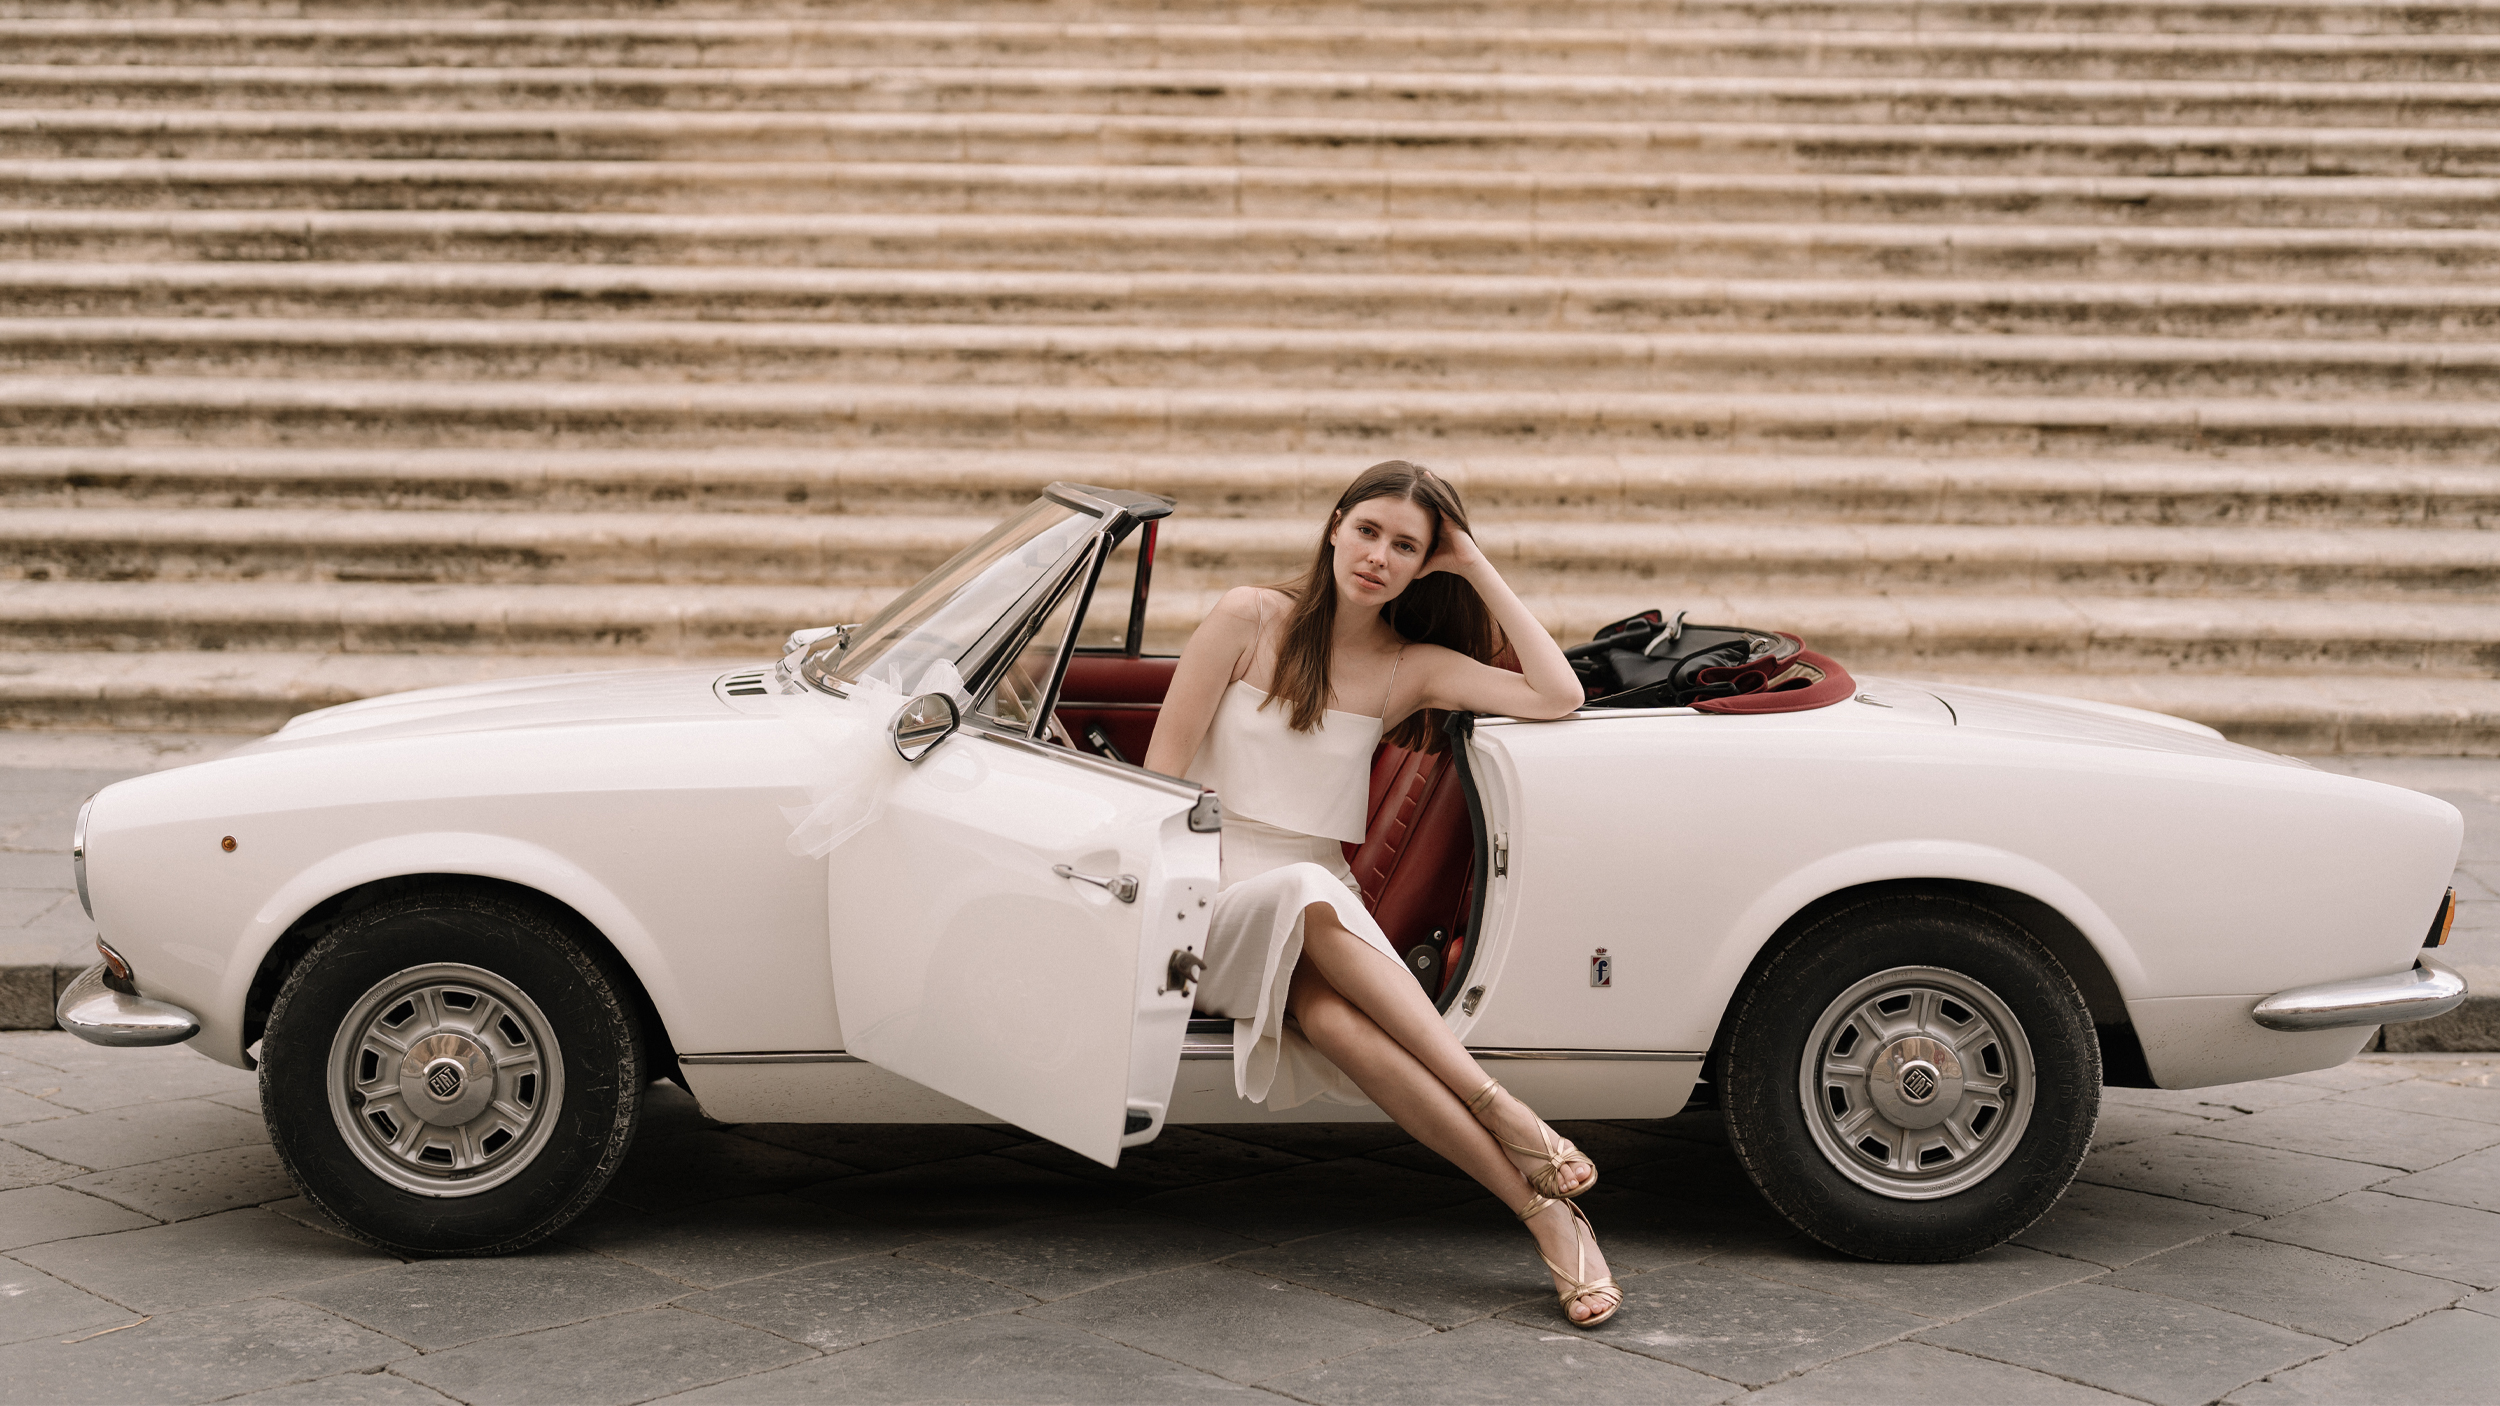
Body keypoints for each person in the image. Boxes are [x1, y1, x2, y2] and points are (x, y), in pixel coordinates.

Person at [1142, 460, 1620, 1329]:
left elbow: (1559, 693)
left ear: (1425, 564)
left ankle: (1549, 1215)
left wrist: (1475, 564)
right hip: (1211, 897)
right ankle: (1501, 1107)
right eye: (1368, 532)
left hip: (1316, 901)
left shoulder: (1412, 667)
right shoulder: (1246, 617)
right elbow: (1160, 782)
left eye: (1408, 547)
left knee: (1330, 1016)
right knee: (1302, 892)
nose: (1379, 557)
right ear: (1334, 526)